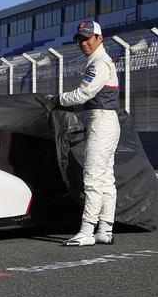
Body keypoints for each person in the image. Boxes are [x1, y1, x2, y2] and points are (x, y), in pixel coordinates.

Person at [46, 20, 121, 246]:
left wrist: (56, 100)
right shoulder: (98, 62)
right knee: (106, 179)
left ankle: (87, 231)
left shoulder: (100, 64)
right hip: (104, 123)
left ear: (100, 38)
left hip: (102, 123)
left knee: (92, 179)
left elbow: (82, 94)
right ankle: (105, 230)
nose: (83, 43)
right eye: (80, 39)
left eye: (88, 38)